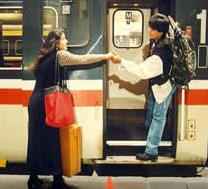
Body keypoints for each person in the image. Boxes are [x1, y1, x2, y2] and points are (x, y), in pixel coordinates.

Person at [27, 28, 113, 189]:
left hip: (36, 102)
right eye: (64, 39)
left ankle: (33, 179)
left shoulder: (43, 56)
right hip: (48, 104)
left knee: (36, 140)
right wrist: (106, 56)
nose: (67, 42)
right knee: (53, 141)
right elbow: (82, 59)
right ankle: (57, 181)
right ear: (57, 44)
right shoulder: (61, 55)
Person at [111, 14, 176, 162]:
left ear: (161, 32)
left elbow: (141, 71)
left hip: (163, 87)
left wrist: (121, 60)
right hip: (158, 85)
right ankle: (148, 134)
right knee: (153, 111)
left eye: (153, 29)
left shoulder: (160, 53)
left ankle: (151, 151)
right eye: (150, 27)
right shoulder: (158, 42)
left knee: (159, 117)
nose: (149, 30)